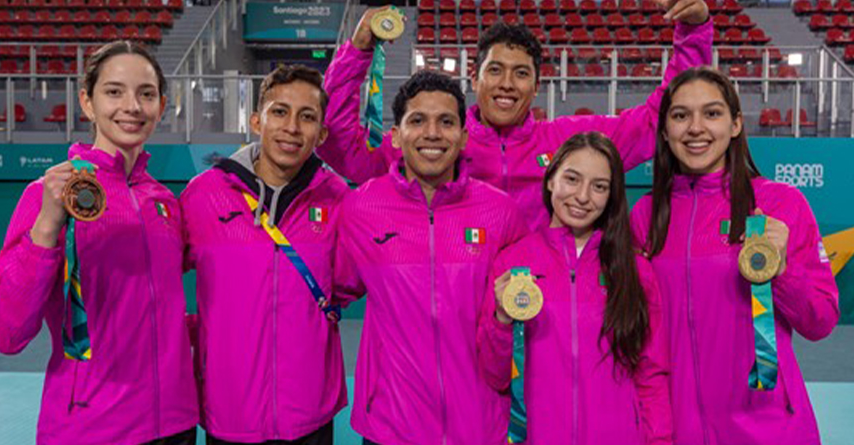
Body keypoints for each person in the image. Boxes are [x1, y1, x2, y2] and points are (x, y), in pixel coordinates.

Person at [318, 1, 712, 229]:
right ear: (474, 77)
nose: (507, 83)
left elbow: (655, 120)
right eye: (495, 70)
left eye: (521, 73)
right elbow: (341, 146)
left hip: (543, 314)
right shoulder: (433, 144)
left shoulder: (568, 144)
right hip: (458, 313)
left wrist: (692, 34)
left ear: (537, 85)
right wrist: (357, 52)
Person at [0, 41, 198, 444]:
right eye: (114, 91)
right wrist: (46, 227)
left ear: (162, 105)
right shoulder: (47, 196)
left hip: (175, 423)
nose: (132, 106)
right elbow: (4, 334)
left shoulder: (164, 201)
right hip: (91, 427)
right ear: (87, 102)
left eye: (146, 93)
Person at [629, 67, 839, 444]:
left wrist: (784, 271)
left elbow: (820, 320)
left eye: (712, 113)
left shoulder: (780, 203)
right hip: (677, 430)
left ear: (736, 124)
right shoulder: (645, 216)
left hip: (767, 427)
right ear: (664, 130)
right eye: (680, 115)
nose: (696, 128)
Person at [332, 70, 528, 444]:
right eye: (417, 120)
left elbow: (516, 320)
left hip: (479, 426)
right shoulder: (361, 207)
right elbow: (338, 285)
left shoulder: (501, 212)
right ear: (395, 135)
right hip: (389, 425)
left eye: (446, 122)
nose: (433, 134)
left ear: (464, 135)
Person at [181, 65, 348, 445]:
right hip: (230, 412)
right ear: (257, 120)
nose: (292, 127)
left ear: (321, 133)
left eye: (307, 117)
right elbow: (155, 277)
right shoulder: (203, 194)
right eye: (279, 111)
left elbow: (350, 282)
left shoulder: (338, 199)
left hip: (310, 415)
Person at [479, 132, 671, 444]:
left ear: (611, 197)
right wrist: (501, 320)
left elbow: (652, 374)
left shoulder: (635, 270)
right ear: (551, 179)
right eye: (572, 179)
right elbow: (496, 375)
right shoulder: (512, 263)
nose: (582, 196)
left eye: (599, 187)